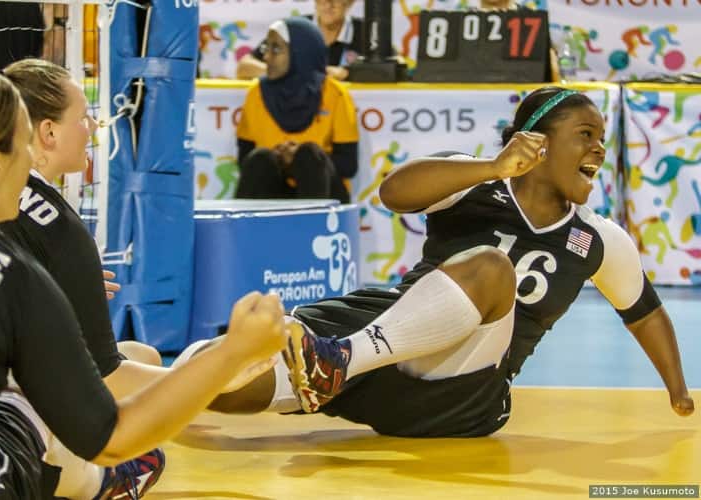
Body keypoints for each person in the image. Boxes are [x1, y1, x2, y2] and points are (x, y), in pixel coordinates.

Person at [178, 86, 694, 438]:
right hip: (391, 360)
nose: (600, 148)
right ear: (537, 140)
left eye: (602, 138)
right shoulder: (474, 179)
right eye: (586, 133)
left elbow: (645, 313)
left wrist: (678, 390)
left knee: (494, 269)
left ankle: (336, 360)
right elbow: (394, 192)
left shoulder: (599, 238)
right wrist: (492, 166)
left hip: (465, 394)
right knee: (224, 374)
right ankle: (141, 382)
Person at [0, 69, 287, 499]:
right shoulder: (20, 274)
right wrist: (230, 356)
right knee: (30, 405)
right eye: (21, 147)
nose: (28, 163)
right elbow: (110, 436)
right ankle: (101, 484)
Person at [0, 58, 165, 497]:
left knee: (144, 355)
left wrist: (59, 295)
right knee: (147, 447)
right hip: (0, 420)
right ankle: (80, 483)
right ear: (48, 132)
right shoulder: (61, 229)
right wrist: (218, 374)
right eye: (83, 116)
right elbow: (104, 375)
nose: (92, 127)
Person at [234, 17, 359, 204]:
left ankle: (315, 231)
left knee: (309, 156)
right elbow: (245, 160)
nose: (267, 57)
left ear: (301, 53)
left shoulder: (334, 94)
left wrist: (297, 159)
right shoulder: (256, 93)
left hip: (322, 191)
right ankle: (247, 232)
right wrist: (279, 158)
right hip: (273, 190)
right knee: (261, 159)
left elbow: (348, 165)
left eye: (276, 49)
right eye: (266, 48)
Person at [236, 0, 361, 81]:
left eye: (336, 0)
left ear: (349, 3)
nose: (328, 5)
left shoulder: (366, 32)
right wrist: (286, 73)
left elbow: (379, 73)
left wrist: (347, 73)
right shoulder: (292, 28)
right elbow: (244, 66)